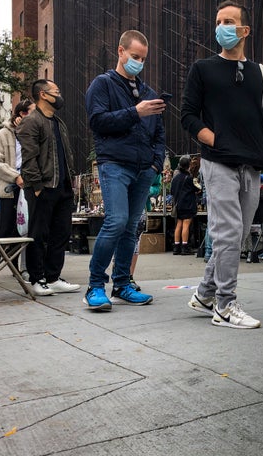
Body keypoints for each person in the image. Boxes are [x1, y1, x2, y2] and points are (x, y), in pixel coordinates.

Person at [181, 0, 263, 329]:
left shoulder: (260, 72)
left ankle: (205, 293)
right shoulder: (203, 69)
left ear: (244, 30)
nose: (221, 26)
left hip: (251, 163)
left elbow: (261, 117)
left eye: (229, 21)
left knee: (237, 234)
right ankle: (224, 305)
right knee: (228, 232)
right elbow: (188, 115)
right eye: (219, 21)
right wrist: (215, 140)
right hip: (218, 162)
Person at [84, 29, 167, 312]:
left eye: (143, 58)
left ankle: (122, 284)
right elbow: (98, 122)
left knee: (130, 227)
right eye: (134, 57)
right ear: (120, 52)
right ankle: (95, 285)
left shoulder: (148, 92)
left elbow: (160, 134)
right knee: (116, 221)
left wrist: (156, 164)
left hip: (143, 169)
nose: (139, 63)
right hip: (115, 165)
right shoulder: (103, 84)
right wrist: (136, 112)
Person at [17, 80, 80, 296]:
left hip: (62, 186)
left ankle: (53, 277)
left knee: (61, 233)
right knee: (39, 234)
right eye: (57, 91)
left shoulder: (58, 122)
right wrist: (36, 187)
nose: (60, 95)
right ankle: (37, 278)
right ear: (43, 94)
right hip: (43, 187)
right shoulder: (31, 121)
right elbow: (28, 158)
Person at [0, 99, 35, 285]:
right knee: (3, 230)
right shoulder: (3, 134)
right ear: (22, 114)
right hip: (9, 188)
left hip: (28, 189)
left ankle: (22, 269)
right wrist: (15, 176)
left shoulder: (31, 133)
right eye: (32, 112)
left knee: (26, 229)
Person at [170, 155, 200, 256]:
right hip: (188, 204)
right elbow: (198, 188)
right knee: (186, 224)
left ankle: (176, 247)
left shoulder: (175, 178)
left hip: (178, 204)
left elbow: (172, 191)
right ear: (188, 165)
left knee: (179, 224)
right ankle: (185, 247)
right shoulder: (189, 178)